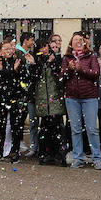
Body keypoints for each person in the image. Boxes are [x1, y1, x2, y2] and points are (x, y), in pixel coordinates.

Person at [63, 33, 101, 170]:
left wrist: (82, 70)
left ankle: (97, 157)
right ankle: (78, 158)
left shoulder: (91, 56)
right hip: (72, 98)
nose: (78, 42)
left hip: (89, 97)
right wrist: (69, 69)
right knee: (75, 129)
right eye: (75, 40)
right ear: (71, 43)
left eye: (81, 40)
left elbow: (96, 74)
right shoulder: (67, 58)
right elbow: (62, 77)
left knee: (92, 129)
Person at [0, 40, 30, 162]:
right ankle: (0, 151)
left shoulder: (19, 62)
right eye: (6, 49)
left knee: (15, 125)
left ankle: (15, 151)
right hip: (0, 98)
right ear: (0, 51)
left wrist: (12, 72)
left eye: (11, 49)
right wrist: (4, 71)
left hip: (15, 98)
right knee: (1, 125)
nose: (9, 51)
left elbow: (22, 81)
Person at [33, 34, 67, 165]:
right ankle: (45, 154)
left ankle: (59, 154)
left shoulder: (58, 59)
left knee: (58, 128)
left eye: (45, 46)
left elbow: (60, 78)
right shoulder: (37, 61)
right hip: (43, 101)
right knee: (44, 129)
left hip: (55, 101)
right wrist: (36, 64)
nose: (45, 49)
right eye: (41, 47)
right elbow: (34, 79)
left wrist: (52, 63)